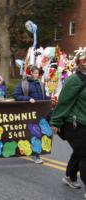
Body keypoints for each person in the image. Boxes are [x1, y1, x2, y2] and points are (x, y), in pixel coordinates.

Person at [50, 48, 86, 198]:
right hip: (75, 123)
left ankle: (70, 177)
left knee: (80, 151)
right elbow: (64, 102)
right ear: (82, 62)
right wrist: (56, 121)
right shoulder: (75, 80)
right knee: (85, 154)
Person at [13, 66, 50, 164]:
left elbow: (44, 97)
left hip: (40, 111)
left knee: (39, 133)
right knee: (34, 133)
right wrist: (28, 99)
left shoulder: (41, 84)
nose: (36, 75)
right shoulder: (23, 83)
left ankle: (35, 154)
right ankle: (34, 155)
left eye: (37, 73)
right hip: (28, 112)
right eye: (34, 73)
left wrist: (50, 99)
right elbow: (16, 95)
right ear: (30, 73)